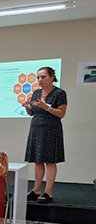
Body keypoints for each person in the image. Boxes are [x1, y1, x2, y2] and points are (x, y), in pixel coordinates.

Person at [23, 66, 67, 204]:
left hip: (51, 129)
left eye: (43, 77)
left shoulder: (59, 93)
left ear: (52, 77)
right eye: (38, 77)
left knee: (50, 161)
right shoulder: (36, 93)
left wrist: (46, 107)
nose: (40, 80)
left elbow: (61, 113)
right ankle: (36, 190)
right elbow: (33, 113)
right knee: (38, 160)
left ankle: (48, 192)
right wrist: (28, 108)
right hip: (36, 128)